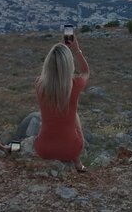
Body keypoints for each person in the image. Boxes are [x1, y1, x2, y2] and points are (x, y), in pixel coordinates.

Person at [34, 34, 90, 171]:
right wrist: (76, 50)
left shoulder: (39, 85)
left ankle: (73, 159)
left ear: (48, 64)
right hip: (71, 150)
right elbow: (85, 71)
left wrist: (59, 50)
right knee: (74, 114)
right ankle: (77, 162)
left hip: (43, 150)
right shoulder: (75, 85)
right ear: (68, 65)